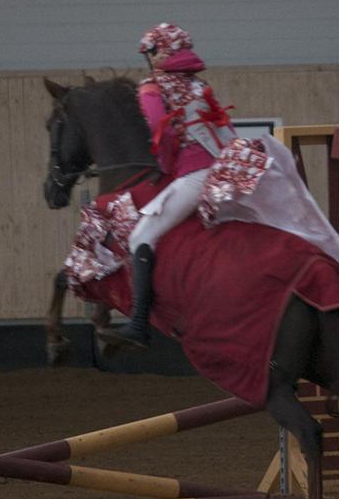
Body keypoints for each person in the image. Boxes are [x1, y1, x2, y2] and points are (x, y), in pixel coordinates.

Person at [99, 22, 248, 348]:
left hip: (196, 175)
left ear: (161, 53)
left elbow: (159, 129)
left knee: (141, 236)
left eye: (151, 53)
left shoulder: (152, 87)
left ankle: (138, 324)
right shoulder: (200, 85)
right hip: (227, 172)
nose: (149, 60)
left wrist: (166, 165)